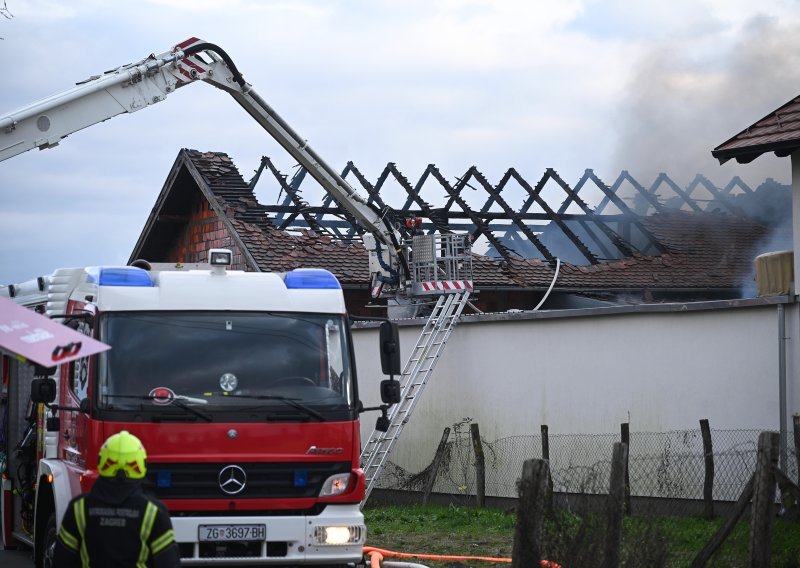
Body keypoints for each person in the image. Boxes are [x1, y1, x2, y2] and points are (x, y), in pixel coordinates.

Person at [54, 430, 180, 567]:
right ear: (141, 465)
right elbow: (169, 563)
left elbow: (61, 561)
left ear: (101, 462)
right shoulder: (154, 512)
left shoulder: (79, 508)